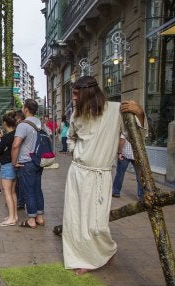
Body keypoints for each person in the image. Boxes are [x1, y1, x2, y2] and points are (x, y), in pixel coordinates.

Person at [62, 75, 146, 275]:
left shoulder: (116, 110)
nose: (73, 98)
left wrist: (140, 113)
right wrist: (74, 149)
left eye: (76, 94)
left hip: (100, 175)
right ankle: (81, 258)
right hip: (77, 173)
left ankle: (106, 251)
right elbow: (71, 137)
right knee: (75, 220)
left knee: (97, 223)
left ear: (87, 93)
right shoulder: (76, 114)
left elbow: (138, 136)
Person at [11, 99, 45, 228]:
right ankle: (40, 217)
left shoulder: (23, 125)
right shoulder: (38, 122)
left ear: (25, 109)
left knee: (28, 190)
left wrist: (14, 162)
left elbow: (15, 145)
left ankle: (31, 219)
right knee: (37, 189)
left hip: (26, 161)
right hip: (38, 160)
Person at [0, 111, 18, 226]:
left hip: (7, 165)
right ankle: (14, 215)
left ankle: (11, 218)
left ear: (5, 123)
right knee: (13, 191)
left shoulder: (6, 137)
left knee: (7, 192)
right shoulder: (17, 134)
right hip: (15, 164)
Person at [112, 133, 143, 199]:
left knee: (120, 174)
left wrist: (119, 153)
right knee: (140, 176)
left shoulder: (125, 131)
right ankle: (141, 196)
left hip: (125, 154)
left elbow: (122, 141)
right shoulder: (139, 132)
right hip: (137, 156)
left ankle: (116, 192)